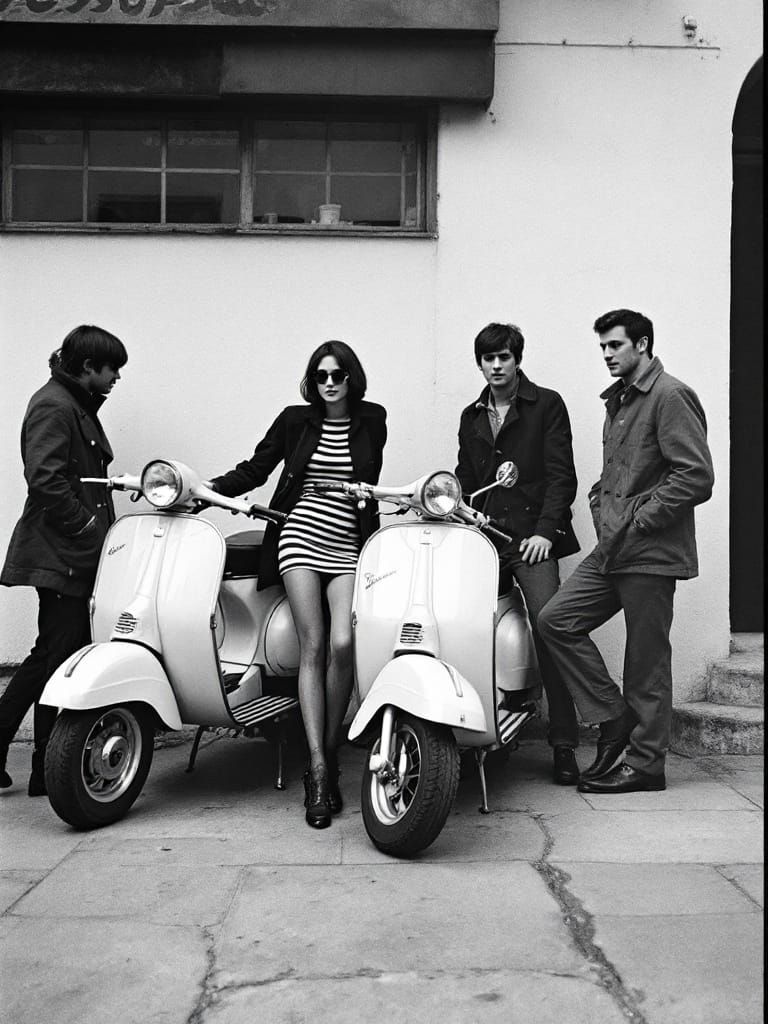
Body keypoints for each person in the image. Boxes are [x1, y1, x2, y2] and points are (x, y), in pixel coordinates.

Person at [207, 341, 387, 829]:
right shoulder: (294, 420)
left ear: (352, 378)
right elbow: (256, 467)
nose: (329, 382)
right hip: (300, 535)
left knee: (344, 642)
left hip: (347, 541)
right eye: (321, 374)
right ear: (312, 380)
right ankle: (319, 769)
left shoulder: (372, 419)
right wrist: (204, 492)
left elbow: (370, 485)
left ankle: (328, 746)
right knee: (314, 643)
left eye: (339, 374)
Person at [538, 309, 714, 793]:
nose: (607, 355)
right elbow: (624, 472)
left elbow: (696, 476)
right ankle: (613, 718)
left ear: (642, 344)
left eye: (615, 345)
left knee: (645, 662)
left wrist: (641, 519)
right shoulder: (620, 400)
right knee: (555, 620)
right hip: (613, 546)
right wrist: (601, 504)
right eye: (603, 347)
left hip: (649, 551)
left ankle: (646, 765)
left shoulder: (670, 395)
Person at [0, 325, 127, 795]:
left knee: (59, 659)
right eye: (111, 368)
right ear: (88, 366)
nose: (116, 377)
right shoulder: (55, 404)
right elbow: (46, 479)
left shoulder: (74, 404)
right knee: (52, 657)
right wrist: (89, 530)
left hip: (72, 555)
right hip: (61, 554)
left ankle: (42, 771)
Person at [455, 322, 582, 785]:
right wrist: (458, 511)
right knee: (465, 629)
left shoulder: (546, 404)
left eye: (504, 357)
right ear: (480, 363)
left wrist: (546, 533)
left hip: (529, 541)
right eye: (488, 359)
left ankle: (564, 742)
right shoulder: (471, 416)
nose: (496, 366)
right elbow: (466, 478)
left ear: (517, 358)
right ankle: (483, 735)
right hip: (483, 540)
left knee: (550, 629)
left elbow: (560, 475)